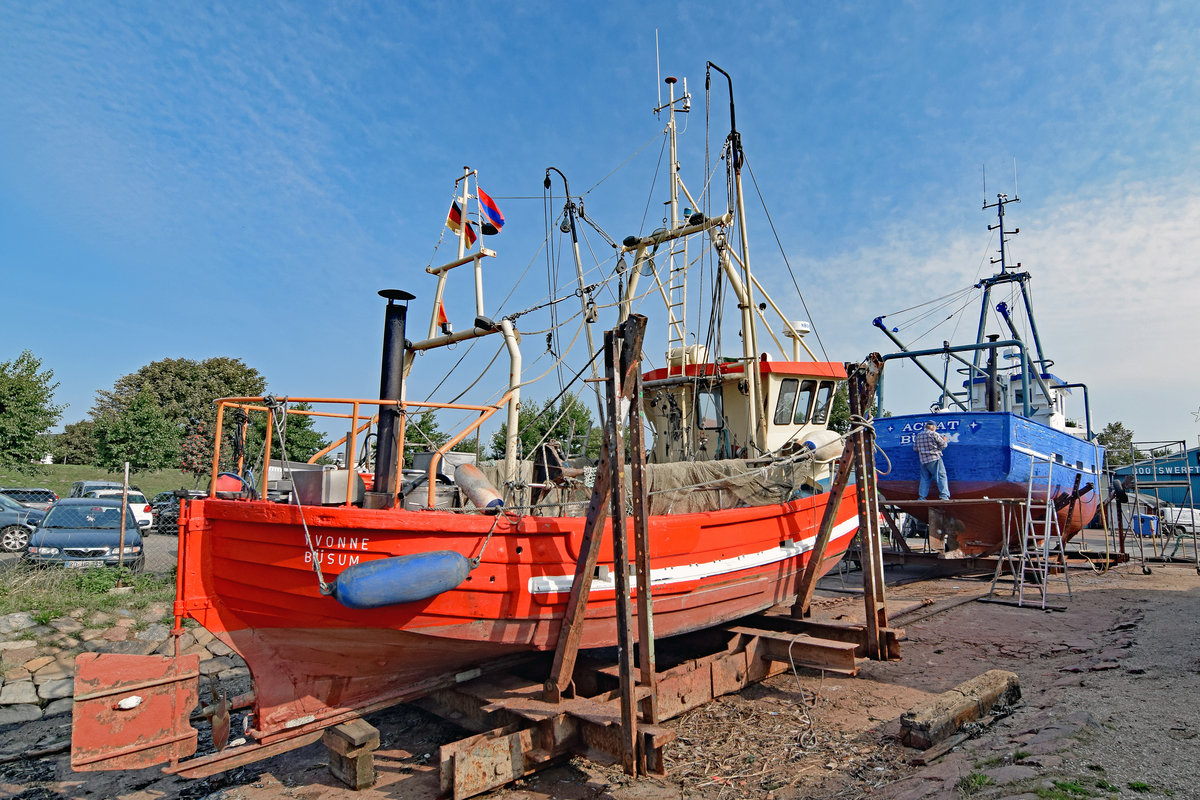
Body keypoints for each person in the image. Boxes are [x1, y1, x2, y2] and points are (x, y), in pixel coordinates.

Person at [913, 421, 950, 501]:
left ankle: (922, 498)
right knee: (941, 477)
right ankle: (944, 496)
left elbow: (915, 449)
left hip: (923, 460)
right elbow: (943, 446)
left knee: (924, 479)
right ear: (933, 427)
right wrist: (945, 440)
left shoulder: (919, 435)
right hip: (934, 458)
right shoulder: (934, 434)